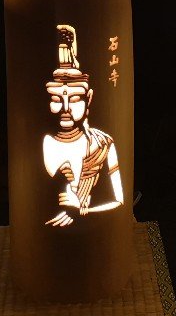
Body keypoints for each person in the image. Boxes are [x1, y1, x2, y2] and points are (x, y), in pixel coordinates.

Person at [42, 25, 124, 227]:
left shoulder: (102, 144)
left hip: (97, 234)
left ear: (89, 99)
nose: (66, 108)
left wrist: (82, 210)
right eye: (56, 99)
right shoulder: (41, 143)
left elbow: (119, 201)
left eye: (75, 99)